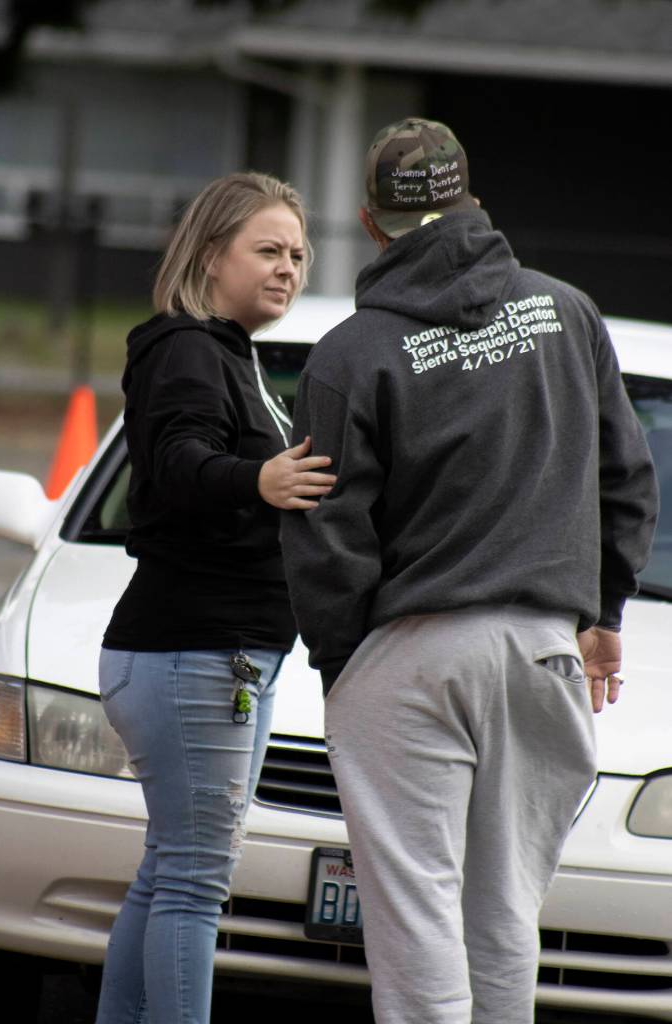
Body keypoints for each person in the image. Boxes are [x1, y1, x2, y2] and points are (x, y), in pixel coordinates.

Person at [280, 119, 659, 1024]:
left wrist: (342, 665)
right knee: (503, 921)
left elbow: (325, 526)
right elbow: (625, 478)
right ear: (474, 204)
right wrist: (602, 612)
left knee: (416, 931)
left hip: (407, 654)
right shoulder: (566, 313)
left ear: (371, 226)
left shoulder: (349, 352)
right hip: (543, 654)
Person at [95, 171, 336, 1024]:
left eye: (299, 255)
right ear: (209, 255)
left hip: (206, 651)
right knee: (194, 884)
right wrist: (260, 477)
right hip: (195, 648)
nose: (288, 269)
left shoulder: (227, 351)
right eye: (266, 250)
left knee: (170, 871)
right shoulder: (188, 348)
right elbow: (176, 461)